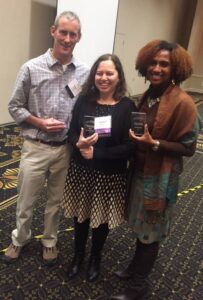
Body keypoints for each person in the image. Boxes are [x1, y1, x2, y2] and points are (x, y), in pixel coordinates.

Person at [111, 40, 202, 299]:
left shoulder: (183, 103)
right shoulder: (150, 96)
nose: (157, 68)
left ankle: (139, 286)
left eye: (165, 64)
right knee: (141, 227)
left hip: (160, 179)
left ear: (176, 69)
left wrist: (155, 144)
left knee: (150, 232)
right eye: (153, 62)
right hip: (139, 173)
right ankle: (133, 269)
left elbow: (189, 148)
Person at [2, 11, 89, 265]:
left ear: (79, 37)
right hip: (35, 147)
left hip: (65, 149)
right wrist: (39, 122)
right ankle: (19, 238)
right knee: (25, 199)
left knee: (56, 201)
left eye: (73, 34)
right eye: (63, 32)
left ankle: (49, 240)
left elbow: (87, 109)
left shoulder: (84, 72)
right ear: (53, 31)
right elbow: (14, 107)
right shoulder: (31, 67)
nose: (67, 38)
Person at [61, 53, 137, 282]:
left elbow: (130, 146)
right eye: (99, 73)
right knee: (81, 217)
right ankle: (78, 256)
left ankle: (95, 257)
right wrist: (78, 143)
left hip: (109, 174)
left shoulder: (126, 106)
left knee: (101, 220)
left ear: (118, 76)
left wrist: (98, 153)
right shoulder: (84, 101)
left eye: (109, 73)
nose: (103, 77)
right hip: (81, 170)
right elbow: (72, 131)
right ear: (94, 75)